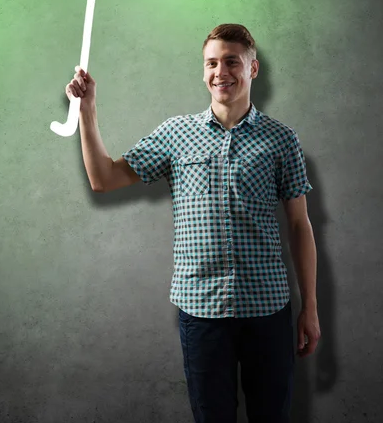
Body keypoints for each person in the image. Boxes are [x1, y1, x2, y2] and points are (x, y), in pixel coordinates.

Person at [65, 23, 321, 423]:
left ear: (253, 69)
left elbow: (301, 226)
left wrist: (311, 306)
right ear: (204, 71)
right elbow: (104, 178)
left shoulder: (281, 139)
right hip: (200, 310)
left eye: (232, 62)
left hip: (268, 308)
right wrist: (88, 109)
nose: (222, 72)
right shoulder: (175, 134)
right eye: (212, 63)